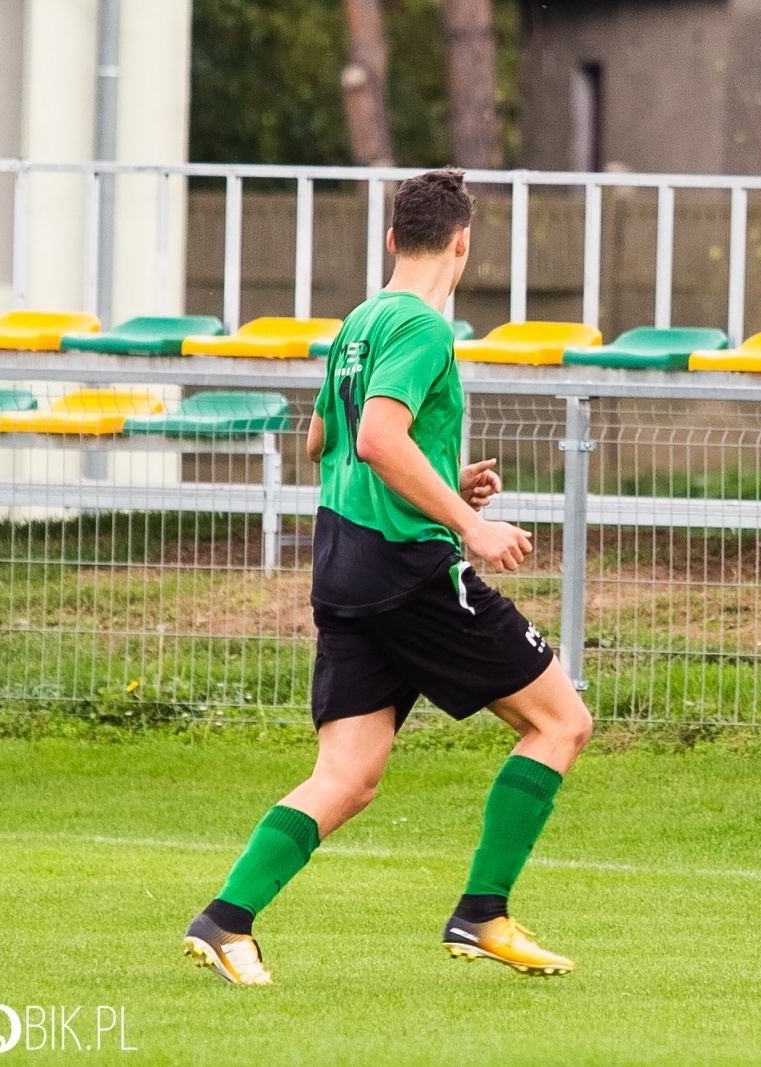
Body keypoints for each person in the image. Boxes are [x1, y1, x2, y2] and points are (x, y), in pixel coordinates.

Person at [182, 169, 593, 985]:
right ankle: (483, 911)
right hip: (408, 570)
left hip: (342, 566)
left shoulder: (360, 322)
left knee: (348, 776)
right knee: (561, 722)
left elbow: (322, 442)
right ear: (463, 243)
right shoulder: (425, 328)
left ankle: (225, 920)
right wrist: (469, 521)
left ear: (392, 238)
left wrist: (442, 475)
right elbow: (375, 438)